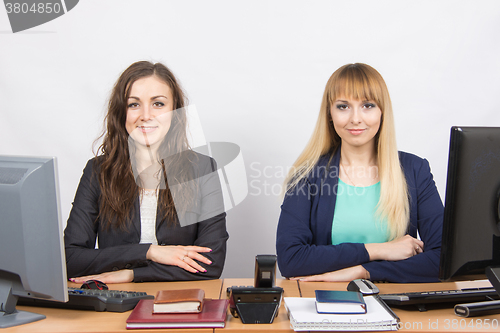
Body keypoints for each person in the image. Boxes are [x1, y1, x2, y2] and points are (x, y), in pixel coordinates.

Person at [276, 63, 443, 283]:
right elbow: (291, 259)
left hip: (395, 302)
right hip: (325, 302)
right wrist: (378, 250)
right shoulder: (307, 175)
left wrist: (364, 271)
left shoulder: (415, 170)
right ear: (330, 113)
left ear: (382, 111)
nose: (355, 118)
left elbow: (443, 258)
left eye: (367, 105)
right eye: (343, 106)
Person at [65, 61, 228, 283]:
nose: (145, 115)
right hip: (116, 303)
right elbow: (70, 259)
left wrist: (131, 274)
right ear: (121, 112)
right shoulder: (97, 172)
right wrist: (148, 251)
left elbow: (211, 263)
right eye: (134, 105)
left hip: (177, 301)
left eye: (158, 104)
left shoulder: (202, 169)